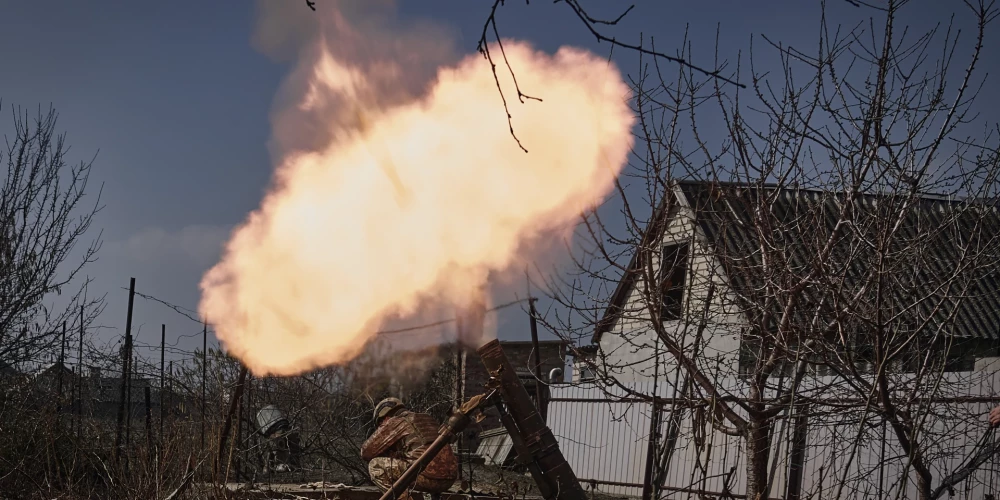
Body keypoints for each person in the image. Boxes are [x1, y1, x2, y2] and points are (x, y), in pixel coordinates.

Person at [361, 398, 458, 499]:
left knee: (375, 465)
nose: (381, 426)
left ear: (384, 418)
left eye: (380, 424)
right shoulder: (426, 418)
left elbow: (366, 452)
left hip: (427, 478)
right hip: (449, 479)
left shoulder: (395, 421)